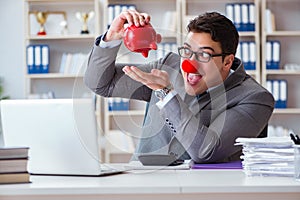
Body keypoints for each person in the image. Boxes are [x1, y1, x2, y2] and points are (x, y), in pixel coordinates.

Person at [84, 11, 274, 163]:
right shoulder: (169, 66)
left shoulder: (255, 98)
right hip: (141, 183)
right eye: (187, 51)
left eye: (204, 55)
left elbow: (206, 151)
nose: (189, 64)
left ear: (227, 62)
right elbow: (101, 84)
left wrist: (167, 94)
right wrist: (112, 37)